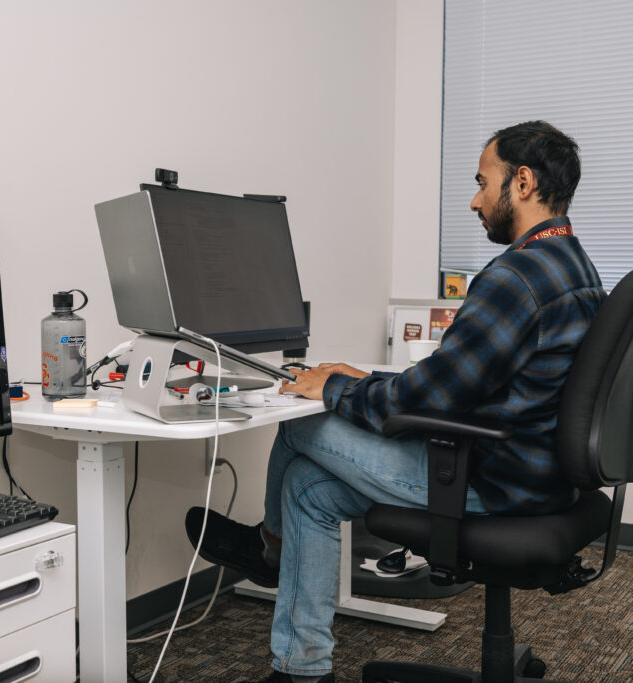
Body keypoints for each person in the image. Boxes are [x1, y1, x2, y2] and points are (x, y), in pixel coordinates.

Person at [186, 120, 607, 683]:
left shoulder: (517, 277)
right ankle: (302, 668)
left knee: (298, 427)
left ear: (523, 182)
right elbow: (469, 380)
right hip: (540, 475)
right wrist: (362, 377)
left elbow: (429, 397)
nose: (475, 200)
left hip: (492, 484)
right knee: (306, 489)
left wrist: (334, 388)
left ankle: (269, 551)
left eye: (484, 182)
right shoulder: (573, 264)